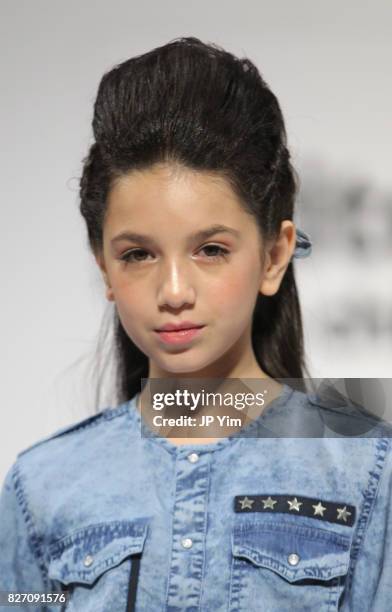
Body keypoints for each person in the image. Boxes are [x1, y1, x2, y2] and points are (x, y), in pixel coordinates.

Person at [0, 36, 391, 612]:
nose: (174, 292)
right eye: (138, 254)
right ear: (102, 264)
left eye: (210, 249)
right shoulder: (42, 488)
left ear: (275, 255)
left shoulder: (367, 470)